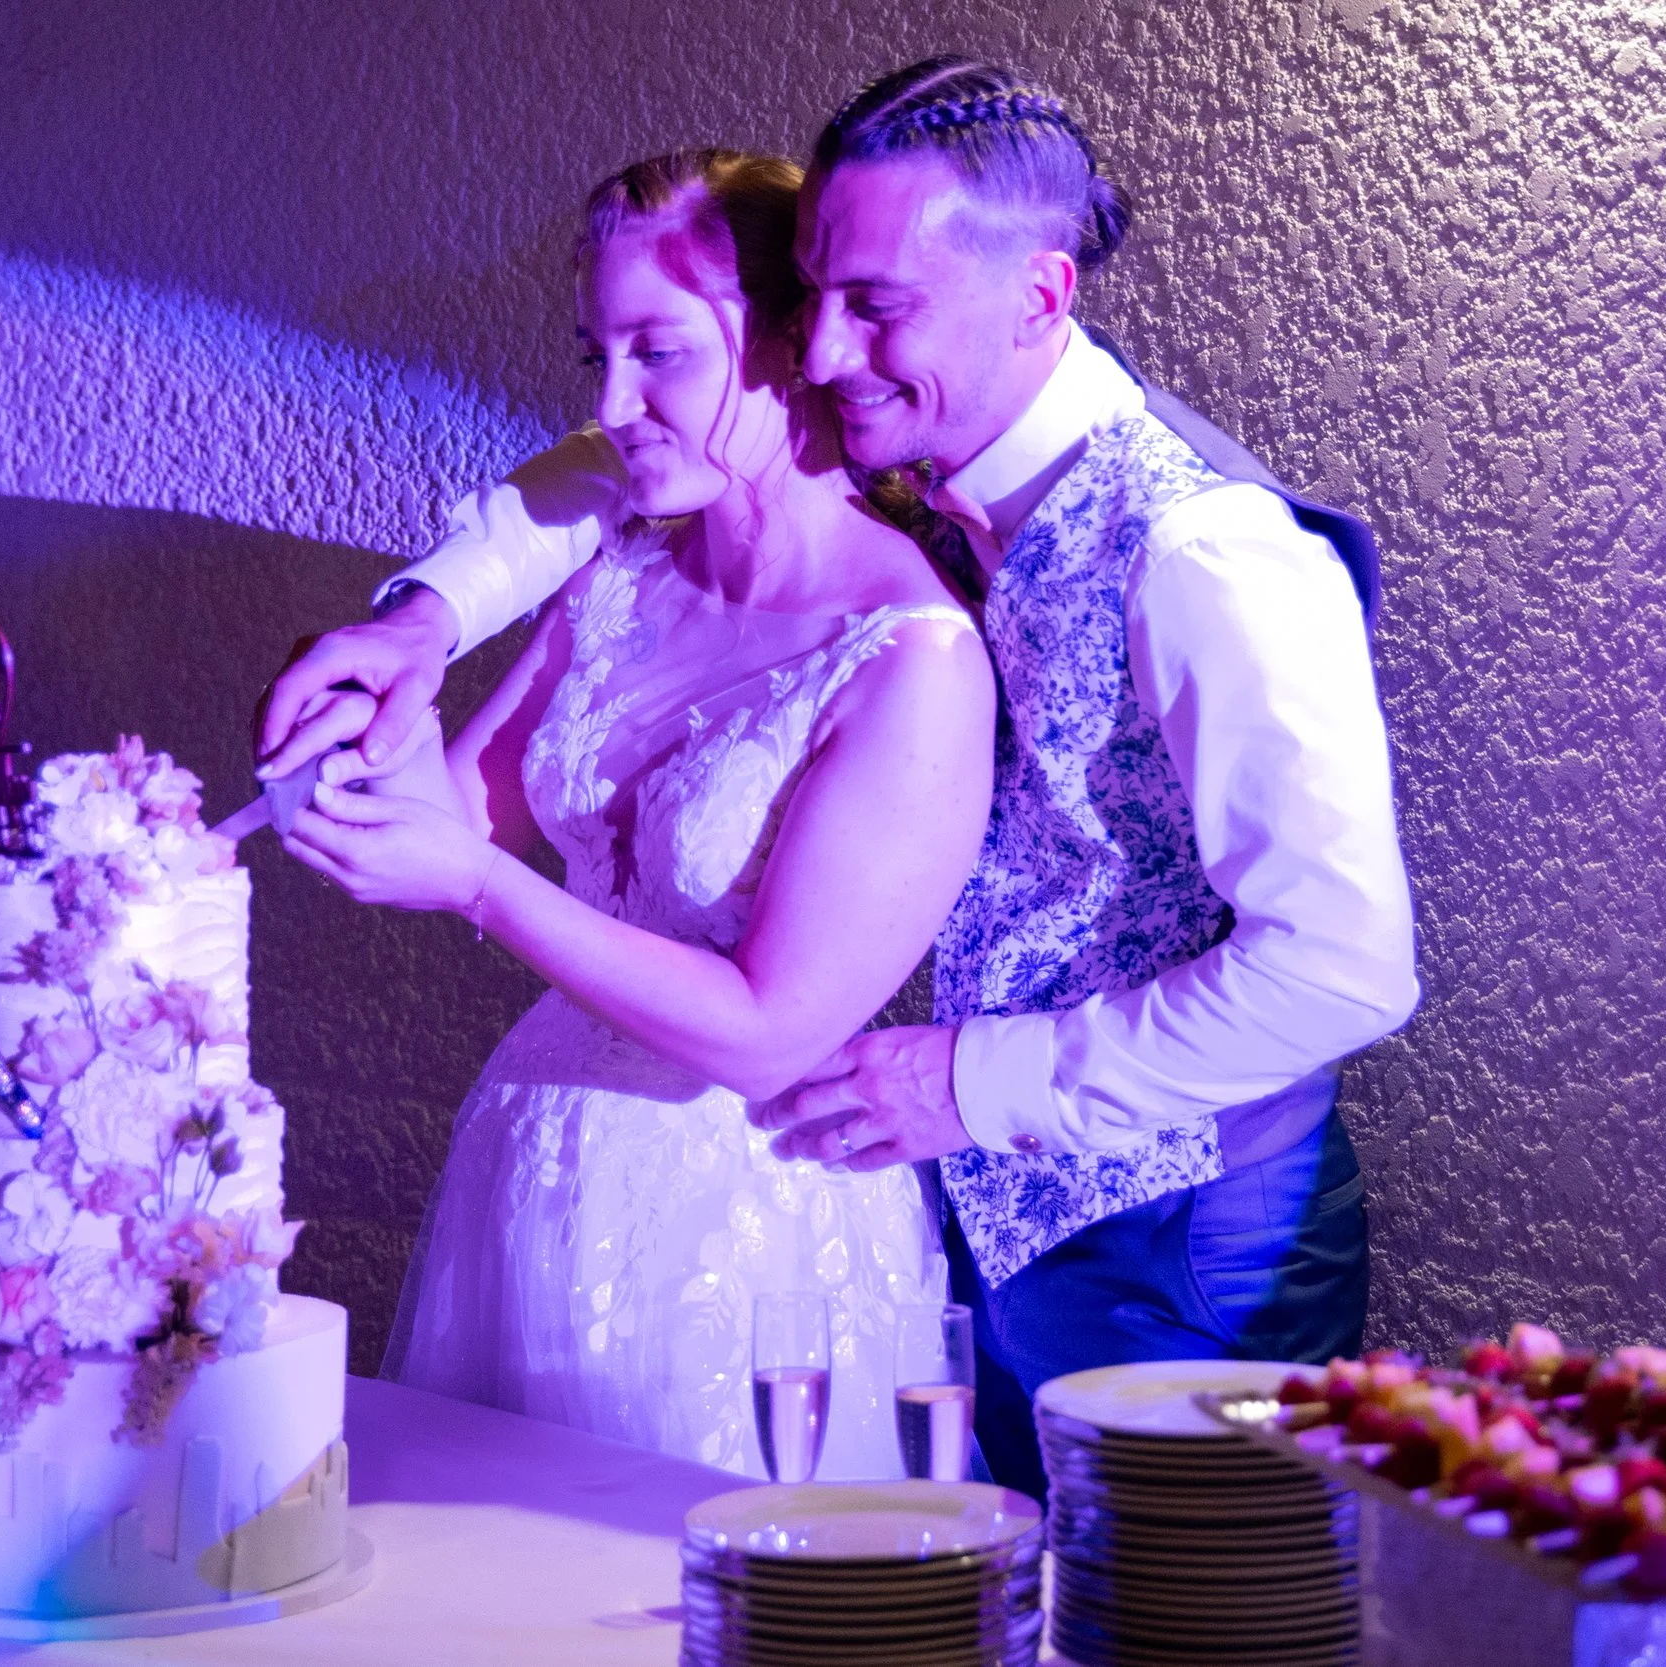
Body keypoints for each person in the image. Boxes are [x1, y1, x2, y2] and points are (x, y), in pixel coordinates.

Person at [262, 59, 1417, 1500]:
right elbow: (615, 459)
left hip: (1189, 1232)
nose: (816, 357)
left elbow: (1348, 970)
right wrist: (427, 608)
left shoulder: (1203, 552)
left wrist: (970, 1079)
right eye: (814, 305)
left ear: (1040, 298)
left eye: (875, 307)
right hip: (973, 1204)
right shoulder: (917, 455)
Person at [277, 149, 997, 1479]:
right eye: (594, 357)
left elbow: (775, 1027)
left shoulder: (913, 655)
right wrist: (375, 701)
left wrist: (479, 888)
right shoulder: (619, 572)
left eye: (657, 353)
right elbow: (457, 808)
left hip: (744, 1223)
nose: (613, 405)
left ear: (797, 341)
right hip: (532, 1166)